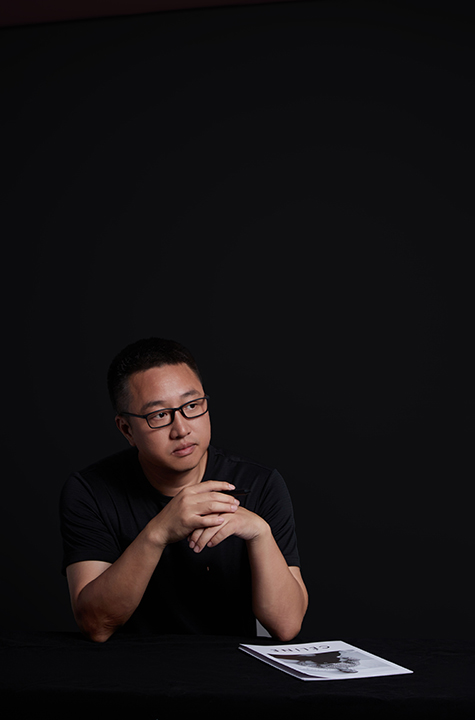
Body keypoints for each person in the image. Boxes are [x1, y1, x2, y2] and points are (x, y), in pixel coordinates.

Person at [60, 338, 308, 643]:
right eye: (159, 415)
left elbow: (287, 626)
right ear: (126, 429)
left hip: (231, 668)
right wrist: (158, 532)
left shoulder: (260, 484)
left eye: (192, 406)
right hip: (127, 668)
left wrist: (260, 533)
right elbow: (95, 624)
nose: (182, 429)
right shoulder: (90, 491)